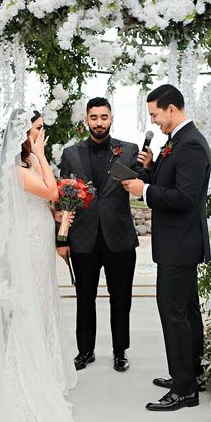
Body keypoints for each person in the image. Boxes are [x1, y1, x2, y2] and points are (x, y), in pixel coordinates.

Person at [0, 109, 77, 422]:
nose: (41, 133)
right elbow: (52, 191)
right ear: (23, 134)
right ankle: (27, 373)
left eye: (42, 128)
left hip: (41, 233)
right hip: (29, 242)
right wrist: (41, 154)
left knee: (45, 299)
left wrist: (59, 219)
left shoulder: (32, 162)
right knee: (32, 303)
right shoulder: (17, 168)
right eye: (37, 129)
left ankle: (48, 367)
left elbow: (48, 201)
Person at [122, 84, 211, 412]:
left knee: (172, 313)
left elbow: (185, 198)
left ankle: (184, 390)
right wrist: (150, 167)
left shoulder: (191, 146)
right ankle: (188, 375)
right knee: (186, 311)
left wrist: (143, 190)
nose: (154, 120)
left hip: (181, 244)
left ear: (172, 109)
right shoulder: (176, 142)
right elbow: (168, 183)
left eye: (155, 114)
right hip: (177, 243)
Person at [57, 97, 147, 372]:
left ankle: (120, 351)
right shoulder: (70, 154)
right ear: (86, 120)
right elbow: (61, 201)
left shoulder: (129, 150)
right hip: (83, 237)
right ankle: (85, 350)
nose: (99, 122)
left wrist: (149, 166)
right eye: (94, 117)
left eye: (103, 117)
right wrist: (60, 239)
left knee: (122, 298)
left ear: (111, 118)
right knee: (85, 298)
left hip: (119, 237)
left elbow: (143, 184)